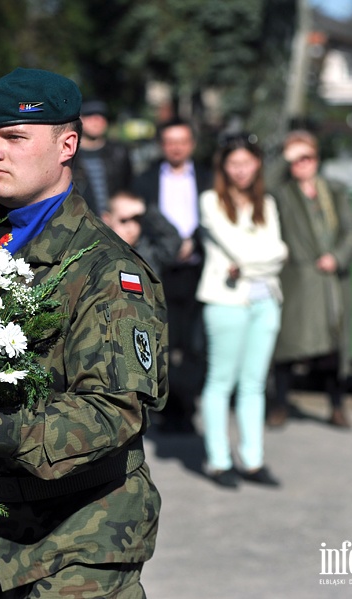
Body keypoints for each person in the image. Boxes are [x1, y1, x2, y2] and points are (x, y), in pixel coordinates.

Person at [0, 67, 168, 598]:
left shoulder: (104, 269)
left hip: (82, 542)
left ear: (67, 143)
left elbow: (112, 409)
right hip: (3, 536)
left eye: (14, 137)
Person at [196, 133, 287, 489]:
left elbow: (281, 253)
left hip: (267, 299)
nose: (240, 170)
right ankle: (219, 461)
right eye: (233, 163)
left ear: (258, 163)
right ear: (223, 166)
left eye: (246, 162)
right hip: (225, 299)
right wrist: (258, 258)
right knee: (221, 382)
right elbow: (245, 249)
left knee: (254, 384)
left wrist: (251, 262)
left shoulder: (267, 202)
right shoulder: (210, 201)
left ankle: (253, 460)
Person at [268, 130, 352, 429]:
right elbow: (264, 183)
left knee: (333, 350)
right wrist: (285, 157)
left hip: (330, 282)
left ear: (317, 159)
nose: (302, 164)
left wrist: (337, 256)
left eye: (307, 157)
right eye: (295, 160)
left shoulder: (334, 190)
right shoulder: (283, 193)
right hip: (297, 282)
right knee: (287, 346)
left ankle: (336, 405)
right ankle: (280, 404)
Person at [133, 118, 211, 434]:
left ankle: (188, 406)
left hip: (199, 267)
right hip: (161, 269)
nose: (176, 147)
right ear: (162, 145)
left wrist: (194, 240)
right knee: (164, 339)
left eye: (182, 141)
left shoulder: (207, 177)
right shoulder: (146, 180)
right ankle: (169, 408)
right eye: (170, 141)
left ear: (191, 144)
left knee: (194, 342)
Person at [73, 99, 134, 215]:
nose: (97, 121)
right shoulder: (69, 154)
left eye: (102, 116)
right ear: (80, 119)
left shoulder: (119, 152)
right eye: (91, 115)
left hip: (114, 223)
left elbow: (128, 188)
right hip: (81, 223)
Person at [102, 190, 182, 277]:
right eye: (124, 220)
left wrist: (148, 209)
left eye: (137, 219)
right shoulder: (96, 254)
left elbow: (172, 239)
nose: (131, 228)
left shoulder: (148, 254)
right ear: (107, 219)